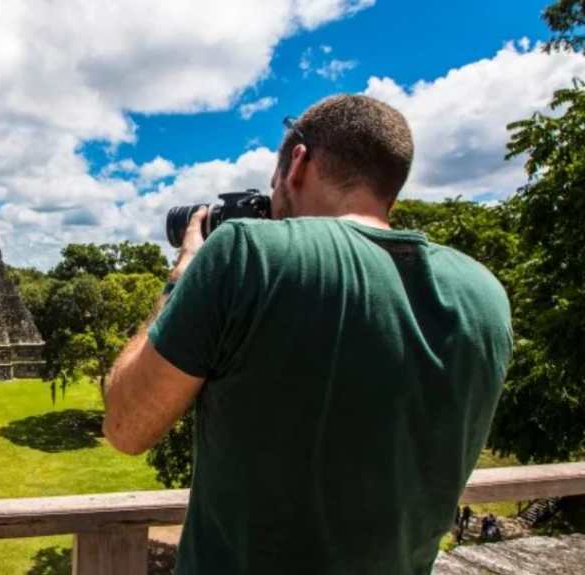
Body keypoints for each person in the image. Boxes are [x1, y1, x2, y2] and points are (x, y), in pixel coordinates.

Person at [103, 94, 512, 574]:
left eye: (272, 185)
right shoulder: (486, 295)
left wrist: (184, 272)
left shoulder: (247, 253)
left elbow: (126, 426)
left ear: (297, 163)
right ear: (392, 188)